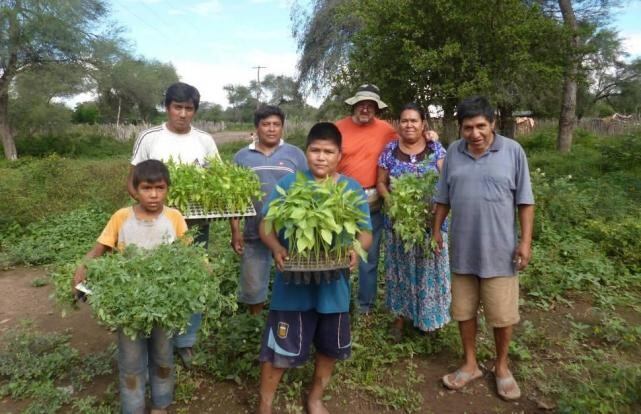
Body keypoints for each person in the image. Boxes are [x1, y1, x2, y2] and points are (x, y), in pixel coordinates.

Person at [257, 122, 373, 414]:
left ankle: (315, 398)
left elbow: (365, 231)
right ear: (306, 152)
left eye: (328, 152)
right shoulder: (290, 184)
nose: (321, 157)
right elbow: (265, 225)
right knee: (279, 349)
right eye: (315, 150)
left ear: (339, 155)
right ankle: (265, 404)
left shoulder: (350, 188)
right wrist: (276, 247)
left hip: (334, 288)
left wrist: (356, 250)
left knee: (329, 347)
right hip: (292, 288)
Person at [432, 96, 535, 401]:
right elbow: (443, 197)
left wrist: (525, 242)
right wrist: (436, 230)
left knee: (502, 315)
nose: (474, 133)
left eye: (480, 126)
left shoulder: (513, 151)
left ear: (493, 123)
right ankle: (470, 363)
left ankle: (502, 367)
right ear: (460, 128)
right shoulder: (453, 151)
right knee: (464, 312)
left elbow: (525, 202)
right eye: (467, 127)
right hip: (462, 250)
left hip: (500, 251)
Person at [73, 160, 187, 414]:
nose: (154, 194)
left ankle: (161, 404)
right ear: (135, 189)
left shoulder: (174, 217)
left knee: (163, 354)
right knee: (131, 360)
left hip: (166, 300)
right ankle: (133, 407)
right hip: (129, 302)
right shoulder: (122, 217)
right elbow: (99, 248)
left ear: (168, 188)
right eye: (147, 188)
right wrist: (83, 266)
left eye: (160, 187)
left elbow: (190, 254)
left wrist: (206, 269)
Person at [128, 82, 219, 367]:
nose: (182, 114)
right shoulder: (149, 137)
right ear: (167, 108)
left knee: (193, 279)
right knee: (152, 275)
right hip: (154, 224)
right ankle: (152, 335)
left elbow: (219, 182)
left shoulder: (204, 140)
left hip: (194, 224)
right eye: (177, 107)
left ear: (195, 111)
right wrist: (153, 211)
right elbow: (132, 181)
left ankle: (186, 341)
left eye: (188, 108)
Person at [376, 103, 450, 341]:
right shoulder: (389, 150)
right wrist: (393, 204)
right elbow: (380, 183)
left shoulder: (435, 149)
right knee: (400, 270)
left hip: (431, 223)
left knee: (429, 269)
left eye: (414, 121)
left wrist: (435, 207)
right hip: (399, 224)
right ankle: (400, 319)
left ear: (423, 124)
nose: (409, 125)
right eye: (404, 120)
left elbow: (448, 182)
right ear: (399, 124)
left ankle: (428, 321)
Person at [230, 105, 307, 315]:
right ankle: (255, 323)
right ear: (256, 127)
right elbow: (235, 197)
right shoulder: (242, 156)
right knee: (253, 283)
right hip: (253, 230)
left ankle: (288, 321)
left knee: (292, 279)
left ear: (282, 127)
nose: (271, 129)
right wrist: (235, 230)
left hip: (289, 231)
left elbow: (308, 189)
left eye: (276, 124)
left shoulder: (296, 154)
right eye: (266, 124)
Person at [335, 84, 396, 314]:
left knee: (369, 257)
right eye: (362, 104)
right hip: (342, 201)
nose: (365, 108)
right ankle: (340, 304)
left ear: (376, 108)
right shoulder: (338, 128)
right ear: (354, 104)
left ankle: (365, 306)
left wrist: (431, 137)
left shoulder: (387, 131)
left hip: (373, 202)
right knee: (340, 253)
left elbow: (408, 146)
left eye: (371, 105)